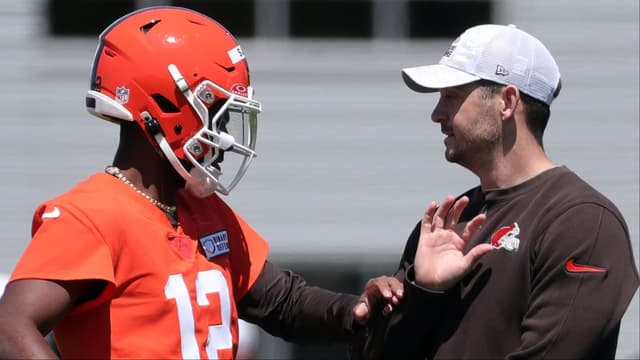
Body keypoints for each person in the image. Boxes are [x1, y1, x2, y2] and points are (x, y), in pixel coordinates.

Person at [0, 6, 404, 359]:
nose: (225, 136)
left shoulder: (199, 208)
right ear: (165, 106)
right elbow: (10, 328)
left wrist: (354, 309)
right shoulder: (91, 215)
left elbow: (283, 301)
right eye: (217, 115)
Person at [351, 24, 640, 359]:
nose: (436, 114)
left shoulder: (583, 222)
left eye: (452, 96)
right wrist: (422, 292)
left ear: (507, 101)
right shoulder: (447, 223)